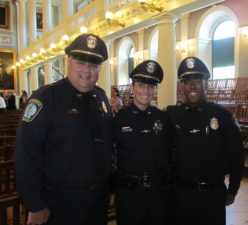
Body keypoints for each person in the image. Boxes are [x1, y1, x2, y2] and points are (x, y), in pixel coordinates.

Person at [15, 33, 113, 225]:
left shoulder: (101, 98)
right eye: (80, 62)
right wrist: (35, 204)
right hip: (61, 204)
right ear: (68, 61)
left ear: (100, 68)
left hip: (97, 200)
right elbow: (26, 154)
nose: (86, 70)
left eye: (93, 64)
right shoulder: (46, 98)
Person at [166, 56, 244, 225]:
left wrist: (233, 188)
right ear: (181, 86)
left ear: (206, 84)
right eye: (187, 81)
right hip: (182, 194)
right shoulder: (172, 115)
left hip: (213, 195)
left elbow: (236, 155)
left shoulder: (223, 117)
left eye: (198, 80)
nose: (192, 86)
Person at [113, 60, 172, 225]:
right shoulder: (119, 120)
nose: (146, 90)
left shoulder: (163, 119)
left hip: (159, 194)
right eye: (141, 85)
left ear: (155, 90)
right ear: (132, 87)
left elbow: (170, 154)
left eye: (151, 86)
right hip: (129, 195)